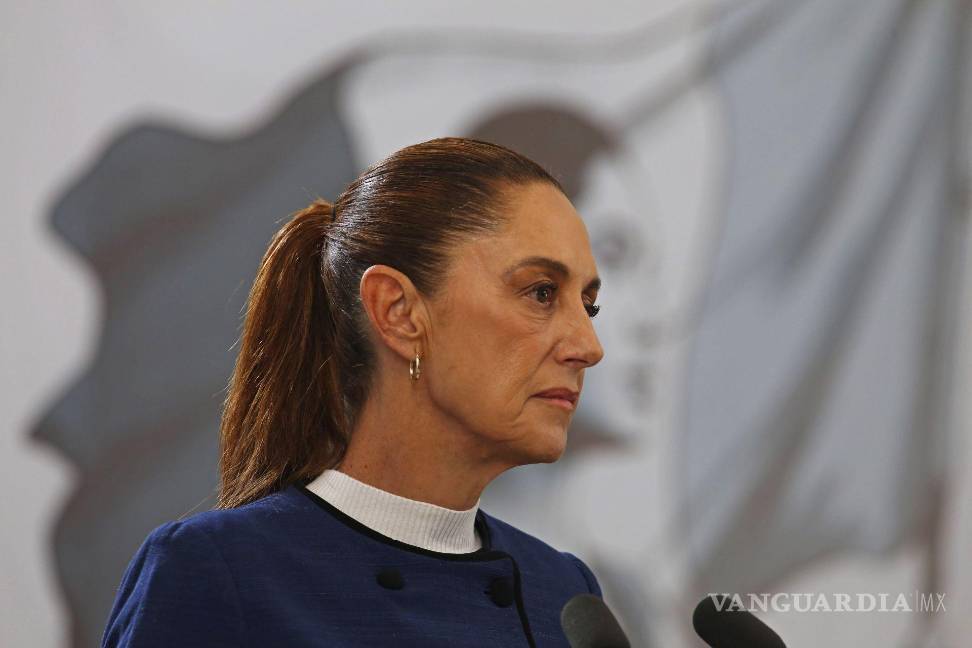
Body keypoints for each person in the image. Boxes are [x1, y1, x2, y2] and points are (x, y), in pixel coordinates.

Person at [101, 136, 606, 647]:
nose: (588, 346)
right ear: (397, 312)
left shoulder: (565, 593)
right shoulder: (218, 573)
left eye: (588, 306)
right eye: (541, 292)